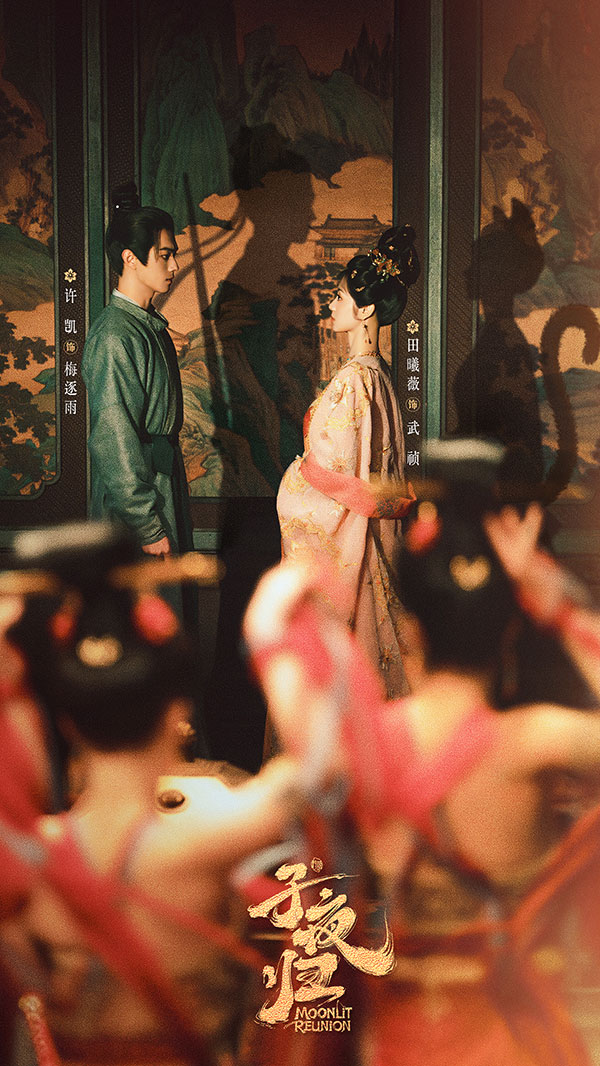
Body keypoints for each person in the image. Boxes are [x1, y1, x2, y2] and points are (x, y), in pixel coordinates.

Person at [246, 438, 600, 1066]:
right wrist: (547, 590)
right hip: (510, 1042)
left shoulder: (355, 748)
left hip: (393, 1039)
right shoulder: (534, 746)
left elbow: (270, 633)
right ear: (511, 629)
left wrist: (287, 590)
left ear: (410, 629)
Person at [0, 520, 305, 1066]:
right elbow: (327, 771)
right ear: (177, 712)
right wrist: (271, 628)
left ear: (67, 720)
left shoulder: (27, 862)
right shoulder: (211, 836)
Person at [276, 226, 420, 699]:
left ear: (366, 310)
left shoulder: (351, 381)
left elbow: (329, 479)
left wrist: (295, 479)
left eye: (339, 297)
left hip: (355, 539)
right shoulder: (380, 375)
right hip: (376, 533)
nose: (332, 305)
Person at [81, 183, 193, 575]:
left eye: (173, 255)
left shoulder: (144, 325)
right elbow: (114, 437)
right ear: (130, 258)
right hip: (138, 493)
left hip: (160, 479)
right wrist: (146, 525)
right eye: (164, 255)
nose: (174, 266)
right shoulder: (115, 335)